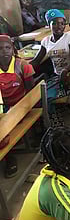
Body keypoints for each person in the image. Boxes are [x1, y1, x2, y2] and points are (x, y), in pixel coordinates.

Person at [30, 9, 70, 125]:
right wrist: (21, 66)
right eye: (55, 23)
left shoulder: (69, 37)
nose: (59, 26)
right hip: (57, 78)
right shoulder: (46, 41)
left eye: (62, 23)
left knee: (45, 98)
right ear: (49, 25)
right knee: (38, 96)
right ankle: (49, 122)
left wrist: (66, 70)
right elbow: (36, 61)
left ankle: (55, 125)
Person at [0, 35, 35, 178]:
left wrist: (21, 109)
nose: (4, 51)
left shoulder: (22, 66)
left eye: (7, 48)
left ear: (13, 49)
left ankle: (9, 157)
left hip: (21, 105)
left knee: (5, 131)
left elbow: (31, 92)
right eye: (0, 48)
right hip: (4, 106)